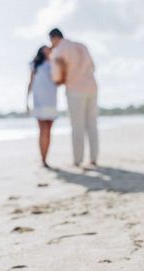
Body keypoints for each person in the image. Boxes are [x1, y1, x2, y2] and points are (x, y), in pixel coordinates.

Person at [49, 28, 99, 167]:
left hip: (75, 89)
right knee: (92, 124)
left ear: (54, 38)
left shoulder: (59, 50)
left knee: (77, 126)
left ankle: (78, 159)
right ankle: (94, 158)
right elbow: (93, 67)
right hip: (92, 87)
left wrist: (58, 81)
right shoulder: (81, 46)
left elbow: (57, 76)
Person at [27, 45, 58, 168]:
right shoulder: (35, 65)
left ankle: (45, 158)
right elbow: (30, 82)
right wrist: (26, 101)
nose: (48, 49)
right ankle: (43, 159)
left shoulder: (53, 63)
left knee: (48, 131)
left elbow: (58, 79)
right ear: (41, 50)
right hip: (39, 100)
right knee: (42, 131)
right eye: (45, 48)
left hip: (51, 100)